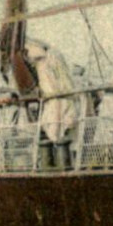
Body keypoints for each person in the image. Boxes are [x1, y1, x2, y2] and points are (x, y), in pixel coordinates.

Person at [24, 39, 78, 169]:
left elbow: (52, 86)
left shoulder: (44, 63)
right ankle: (62, 161)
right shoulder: (46, 63)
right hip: (55, 100)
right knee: (54, 129)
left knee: (55, 129)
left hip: (55, 100)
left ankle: (59, 163)